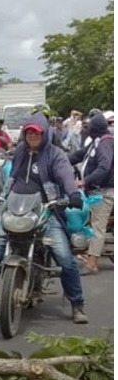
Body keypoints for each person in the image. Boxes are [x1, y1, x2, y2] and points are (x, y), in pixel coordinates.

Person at [0, 113, 88, 323]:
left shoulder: (55, 154)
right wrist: (2, 198)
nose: (32, 136)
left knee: (64, 257)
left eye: (36, 133)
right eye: (28, 132)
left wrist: (72, 193)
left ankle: (77, 305)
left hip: (45, 210)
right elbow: (11, 176)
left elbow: (65, 174)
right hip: (14, 208)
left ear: (45, 133)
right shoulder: (20, 151)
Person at [72, 112, 114, 275]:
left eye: (89, 126)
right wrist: (58, 162)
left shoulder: (105, 142)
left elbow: (104, 167)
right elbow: (78, 155)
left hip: (104, 191)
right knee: (88, 221)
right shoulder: (96, 142)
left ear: (94, 128)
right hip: (95, 190)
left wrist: (85, 181)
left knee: (98, 227)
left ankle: (92, 263)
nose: (87, 129)